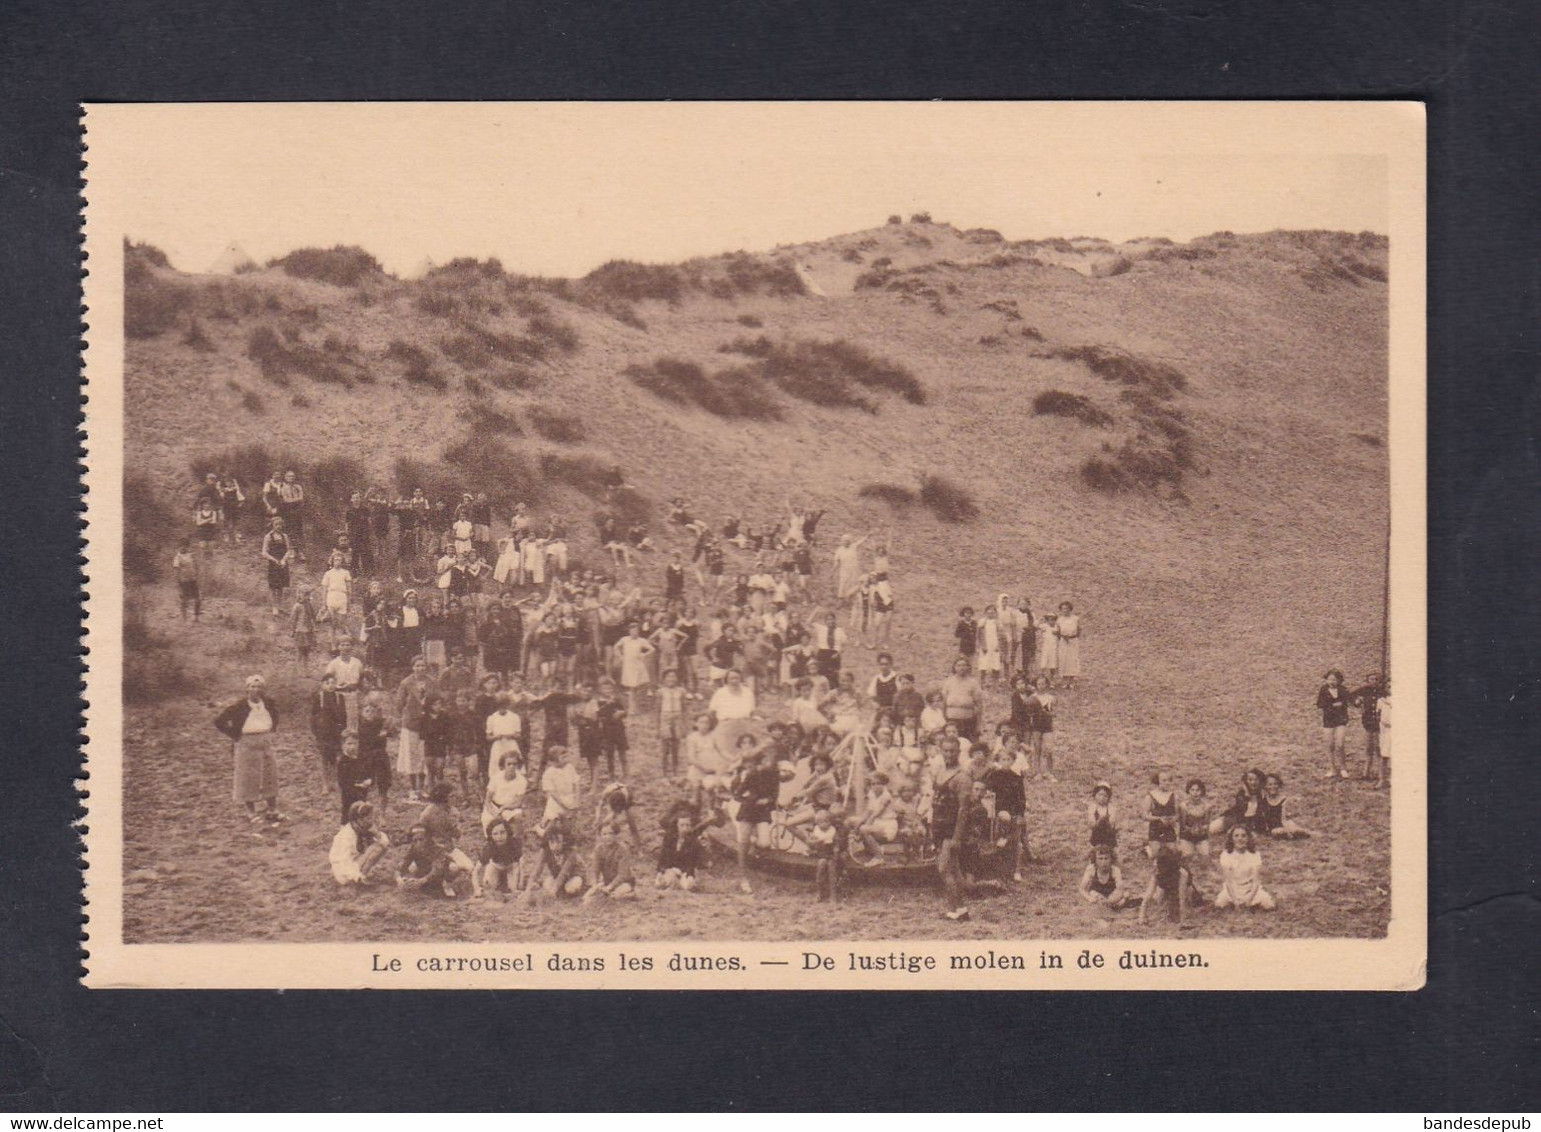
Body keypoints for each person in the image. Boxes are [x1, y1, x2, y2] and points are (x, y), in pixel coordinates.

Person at [213, 674, 285, 824]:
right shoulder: (239, 706)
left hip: (265, 741)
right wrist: (235, 735)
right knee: (248, 777)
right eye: (252, 686)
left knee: (269, 774)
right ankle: (251, 812)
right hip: (246, 743)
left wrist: (272, 729)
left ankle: (272, 809)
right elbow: (219, 721)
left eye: (259, 687)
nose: (256, 690)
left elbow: (276, 715)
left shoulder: (268, 703)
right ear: (247, 689)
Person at [730, 740, 781, 894]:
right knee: (743, 842)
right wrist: (751, 800)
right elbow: (737, 794)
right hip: (748, 810)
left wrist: (767, 800)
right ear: (760, 761)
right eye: (766, 760)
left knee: (765, 843)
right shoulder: (752, 774)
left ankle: (759, 869)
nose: (769, 763)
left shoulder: (774, 775)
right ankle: (742, 875)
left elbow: (774, 795)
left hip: (763, 812)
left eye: (771, 760)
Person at [932, 735, 974, 921]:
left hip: (952, 828)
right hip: (940, 827)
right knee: (954, 869)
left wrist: (957, 837)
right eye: (945, 750)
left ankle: (958, 909)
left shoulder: (962, 777)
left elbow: (964, 809)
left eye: (952, 751)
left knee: (943, 869)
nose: (948, 754)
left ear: (958, 752)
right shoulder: (941, 772)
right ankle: (959, 910)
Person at [982, 745, 1028, 880]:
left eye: (1008, 759)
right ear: (999, 761)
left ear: (1012, 761)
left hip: (1013, 811)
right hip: (998, 812)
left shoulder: (1016, 778)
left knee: (1018, 843)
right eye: (1003, 759)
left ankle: (1017, 871)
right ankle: (999, 868)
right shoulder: (994, 776)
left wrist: (1020, 814)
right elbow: (988, 795)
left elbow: (1021, 798)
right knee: (1003, 819)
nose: (1006, 762)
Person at [395, 656, 432, 801]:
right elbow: (399, 703)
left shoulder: (431, 682)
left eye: (423, 666)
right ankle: (412, 788)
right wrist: (407, 714)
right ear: (413, 667)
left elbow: (436, 700)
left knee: (424, 755)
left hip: (427, 725)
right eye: (417, 666)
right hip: (410, 724)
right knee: (411, 756)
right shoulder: (406, 683)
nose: (420, 669)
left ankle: (421, 787)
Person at [1215, 825, 1277, 911]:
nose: (1240, 839)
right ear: (1231, 839)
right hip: (1234, 889)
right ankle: (1235, 904)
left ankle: (1252, 905)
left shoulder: (1254, 855)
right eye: (1236, 836)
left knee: (1269, 906)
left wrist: (1250, 899)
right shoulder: (1226, 855)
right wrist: (1235, 900)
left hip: (1250, 888)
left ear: (1248, 838)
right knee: (1220, 905)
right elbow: (1228, 882)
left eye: (1243, 836)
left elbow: (1256, 881)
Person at [329, 801, 390, 886]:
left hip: (355, 863)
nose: (371, 821)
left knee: (380, 846)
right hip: (344, 872)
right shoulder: (346, 835)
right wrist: (356, 876)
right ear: (359, 820)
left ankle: (362, 876)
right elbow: (341, 862)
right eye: (368, 818)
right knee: (375, 847)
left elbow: (385, 843)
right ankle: (359, 880)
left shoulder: (364, 829)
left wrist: (377, 834)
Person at [1139, 843, 1195, 926]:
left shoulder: (1182, 873)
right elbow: (1147, 896)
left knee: (1188, 896)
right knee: (1159, 900)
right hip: (1167, 888)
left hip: (1182, 889)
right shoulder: (1158, 873)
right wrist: (1142, 916)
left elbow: (1181, 896)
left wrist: (1183, 920)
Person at [309, 672, 348, 792]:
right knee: (324, 758)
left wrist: (343, 729)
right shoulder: (319, 697)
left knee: (335, 758)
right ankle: (325, 783)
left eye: (333, 683)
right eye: (328, 683)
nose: (331, 686)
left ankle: (335, 782)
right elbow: (313, 716)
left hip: (335, 733)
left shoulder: (339, 697)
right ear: (323, 685)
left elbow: (343, 715)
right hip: (323, 733)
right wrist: (315, 731)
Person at [1316, 668, 1352, 779]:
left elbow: (1348, 701)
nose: (1332, 682)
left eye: (1335, 680)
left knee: (1340, 745)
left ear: (1339, 681)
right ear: (1326, 680)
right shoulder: (1323, 690)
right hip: (1328, 720)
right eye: (1330, 679)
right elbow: (1319, 704)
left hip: (1341, 720)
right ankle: (1332, 768)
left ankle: (1343, 768)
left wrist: (1343, 704)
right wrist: (1332, 705)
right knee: (1330, 745)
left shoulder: (1343, 690)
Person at [613, 622, 655, 714]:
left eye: (637, 630)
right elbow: (616, 647)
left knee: (640, 686)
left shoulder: (641, 640)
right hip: (629, 666)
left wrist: (644, 654)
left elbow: (652, 649)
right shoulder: (624, 639)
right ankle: (632, 709)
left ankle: (637, 706)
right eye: (633, 630)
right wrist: (620, 656)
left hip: (638, 666)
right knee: (632, 688)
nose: (635, 632)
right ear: (629, 631)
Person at [323, 637, 364, 729]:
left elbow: (361, 677)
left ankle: (353, 736)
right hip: (339, 694)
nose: (345, 647)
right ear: (338, 647)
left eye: (348, 645)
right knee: (340, 717)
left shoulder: (357, 662)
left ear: (352, 647)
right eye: (342, 645)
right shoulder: (334, 663)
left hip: (353, 694)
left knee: (354, 717)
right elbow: (327, 680)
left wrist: (358, 688)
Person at [1351, 672, 1385, 782]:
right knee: (1369, 747)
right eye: (1371, 679)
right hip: (1368, 723)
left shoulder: (1383, 692)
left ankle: (1381, 774)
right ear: (1367, 680)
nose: (1373, 681)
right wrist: (1357, 702)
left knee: (1379, 748)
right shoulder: (1364, 690)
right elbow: (1351, 696)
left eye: (1376, 679)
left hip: (1380, 724)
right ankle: (1366, 772)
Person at [940, 657, 984, 743]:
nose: (961, 668)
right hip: (951, 720)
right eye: (959, 665)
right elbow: (943, 703)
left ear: (968, 667)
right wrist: (944, 719)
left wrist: (979, 724)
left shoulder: (973, 683)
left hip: (968, 721)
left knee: (967, 743)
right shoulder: (948, 682)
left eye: (964, 665)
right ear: (954, 667)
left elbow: (979, 705)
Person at [538, 745, 582, 830]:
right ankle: (542, 829)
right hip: (556, 802)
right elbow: (553, 794)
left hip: (570, 798)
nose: (566, 759)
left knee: (569, 823)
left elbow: (576, 783)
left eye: (566, 757)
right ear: (553, 761)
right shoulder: (549, 773)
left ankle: (567, 834)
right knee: (551, 824)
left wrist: (576, 800)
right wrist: (564, 805)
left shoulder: (570, 768)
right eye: (563, 757)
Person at [656, 668, 691, 776]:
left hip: (677, 717)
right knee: (665, 746)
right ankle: (664, 771)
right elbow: (658, 709)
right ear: (664, 679)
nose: (671, 679)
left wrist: (685, 725)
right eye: (669, 676)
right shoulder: (660, 692)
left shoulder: (681, 691)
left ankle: (675, 770)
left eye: (673, 676)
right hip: (665, 718)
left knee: (676, 745)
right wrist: (658, 727)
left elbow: (684, 708)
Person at [477, 817, 523, 897]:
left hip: (511, 866)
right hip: (496, 866)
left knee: (514, 889)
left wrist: (519, 883)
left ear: (507, 832)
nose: (499, 836)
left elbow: (518, 864)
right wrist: (476, 887)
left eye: (502, 832)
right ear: (491, 835)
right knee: (489, 886)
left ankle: (507, 880)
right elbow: (476, 870)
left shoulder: (514, 843)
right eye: (495, 834)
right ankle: (500, 879)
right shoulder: (489, 847)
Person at [1260, 774, 1314, 838]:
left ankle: (1299, 832)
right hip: (1272, 828)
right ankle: (1291, 834)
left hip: (1283, 824)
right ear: (1265, 786)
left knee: (1292, 827)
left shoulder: (1283, 799)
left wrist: (1288, 828)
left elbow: (1284, 819)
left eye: (1275, 784)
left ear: (1279, 785)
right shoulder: (1263, 800)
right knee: (1277, 832)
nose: (1273, 787)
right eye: (1270, 784)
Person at [1078, 845, 1131, 909]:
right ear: (1095, 859)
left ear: (1111, 859)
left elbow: (1120, 889)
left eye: (1106, 858)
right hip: (1096, 894)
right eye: (1100, 858)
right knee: (1092, 894)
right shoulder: (1091, 869)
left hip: (1112, 894)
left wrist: (1111, 900)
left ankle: (1116, 906)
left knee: (1126, 894)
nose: (1103, 862)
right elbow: (1082, 889)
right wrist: (1089, 898)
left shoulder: (1115, 870)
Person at [261, 517, 294, 616]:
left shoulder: (285, 536)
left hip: (283, 563)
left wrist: (284, 559)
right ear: (272, 525)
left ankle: (280, 606)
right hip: (273, 563)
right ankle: (274, 607)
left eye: (280, 524)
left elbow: (289, 550)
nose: (278, 526)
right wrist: (274, 560)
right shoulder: (268, 537)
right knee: (273, 586)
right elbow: (264, 552)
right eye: (276, 524)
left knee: (281, 586)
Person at [1145, 770, 1179, 858]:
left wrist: (1172, 820)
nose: (1167, 783)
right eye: (1164, 780)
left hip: (1169, 829)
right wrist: (1159, 819)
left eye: (1169, 780)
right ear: (1158, 781)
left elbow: (1177, 814)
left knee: (1173, 854)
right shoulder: (1151, 796)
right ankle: (1147, 848)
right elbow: (1144, 815)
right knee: (1156, 855)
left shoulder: (1174, 796)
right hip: (1155, 829)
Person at [318, 551, 353, 632]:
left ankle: (341, 638)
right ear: (332, 561)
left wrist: (349, 602)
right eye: (335, 560)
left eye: (339, 560)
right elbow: (324, 589)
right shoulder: (328, 573)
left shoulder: (345, 572)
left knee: (341, 621)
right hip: (332, 596)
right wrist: (324, 603)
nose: (337, 562)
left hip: (342, 597)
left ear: (342, 561)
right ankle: (333, 641)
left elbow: (349, 588)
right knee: (333, 622)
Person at [1178, 778, 1213, 856]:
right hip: (1187, 837)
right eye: (1192, 790)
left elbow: (1207, 824)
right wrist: (1191, 830)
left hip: (1201, 837)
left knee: (1205, 856)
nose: (1195, 793)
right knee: (1187, 857)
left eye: (1198, 790)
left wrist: (1201, 829)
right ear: (1189, 791)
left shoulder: (1207, 806)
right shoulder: (1184, 806)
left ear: (1202, 791)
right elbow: (1182, 826)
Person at [172, 540, 202, 622]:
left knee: (198, 599)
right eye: (181, 546)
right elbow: (176, 571)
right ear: (178, 547)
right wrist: (178, 584)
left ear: (187, 547)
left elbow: (196, 566)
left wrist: (197, 576)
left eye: (185, 546)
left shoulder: (191, 555)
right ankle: (184, 619)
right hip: (184, 581)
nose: (183, 548)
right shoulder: (177, 557)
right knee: (184, 600)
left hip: (192, 580)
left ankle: (196, 617)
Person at [1054, 601, 1082, 688]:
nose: (1065, 610)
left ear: (1070, 609)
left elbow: (1079, 630)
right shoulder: (1059, 620)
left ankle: (1071, 681)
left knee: (1072, 660)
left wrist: (1073, 637)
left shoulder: (1075, 618)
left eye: (1066, 608)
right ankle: (1065, 681)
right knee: (1064, 660)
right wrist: (1063, 637)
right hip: (1063, 641)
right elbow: (1057, 631)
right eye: (1063, 609)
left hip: (1073, 641)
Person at [976, 604, 1003, 686]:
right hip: (985, 646)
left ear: (995, 613)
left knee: (996, 665)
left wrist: (999, 646)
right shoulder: (982, 622)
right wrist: (982, 646)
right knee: (983, 666)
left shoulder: (997, 622)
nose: (990, 614)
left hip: (994, 646)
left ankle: (995, 684)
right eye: (988, 613)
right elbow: (978, 635)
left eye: (992, 613)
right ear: (985, 613)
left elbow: (1001, 635)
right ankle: (982, 683)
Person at [1088, 781, 1119, 848]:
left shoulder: (1111, 808)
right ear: (1095, 795)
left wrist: (1106, 820)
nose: (1102, 798)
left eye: (1105, 795)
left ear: (1108, 797)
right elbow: (1092, 824)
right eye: (1100, 795)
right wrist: (1099, 821)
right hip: (1096, 836)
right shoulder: (1092, 808)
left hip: (1109, 836)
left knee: (1110, 852)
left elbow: (1112, 824)